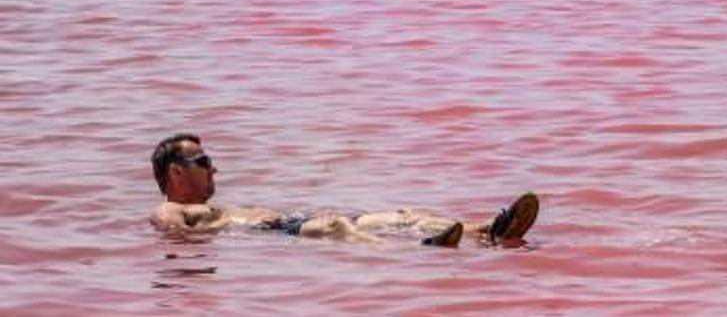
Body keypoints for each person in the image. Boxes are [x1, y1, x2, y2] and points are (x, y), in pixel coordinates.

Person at [149, 133, 539, 248]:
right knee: (338, 227)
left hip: (293, 221)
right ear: (176, 174)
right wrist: (232, 226)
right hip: (278, 231)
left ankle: (489, 228)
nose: (213, 167)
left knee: (403, 215)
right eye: (202, 162)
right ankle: (412, 256)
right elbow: (179, 233)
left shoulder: (214, 206)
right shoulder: (169, 210)